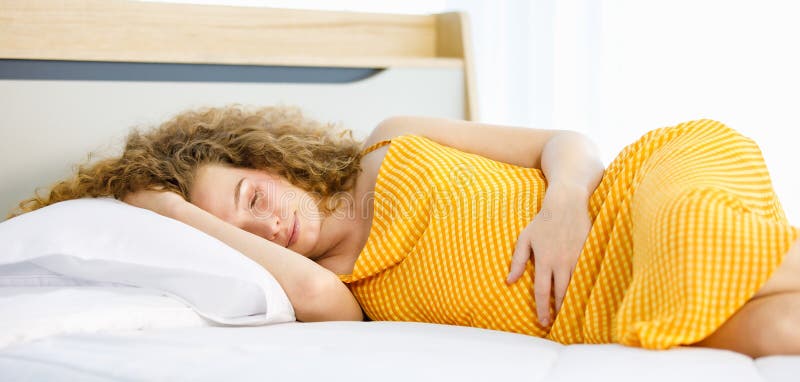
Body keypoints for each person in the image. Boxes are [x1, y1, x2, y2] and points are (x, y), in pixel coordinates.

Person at [11, 105, 800, 357]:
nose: (269, 221)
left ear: (268, 162)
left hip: (623, 200)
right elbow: (312, 289)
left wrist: (564, 205)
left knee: (696, 230)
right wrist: (173, 214)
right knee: (768, 329)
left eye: (252, 194)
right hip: (599, 301)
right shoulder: (335, 296)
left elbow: (563, 146)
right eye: (239, 230)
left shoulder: (388, 142)